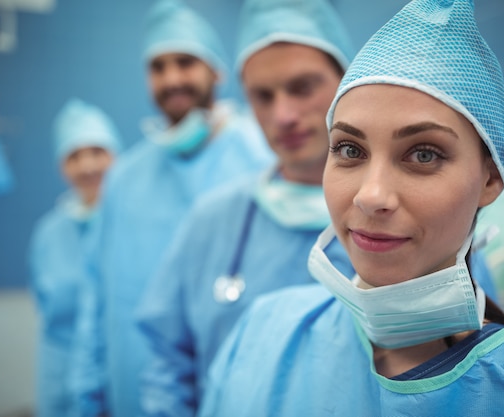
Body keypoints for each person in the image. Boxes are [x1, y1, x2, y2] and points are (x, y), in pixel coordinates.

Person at [198, 0, 504, 416]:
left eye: (424, 154)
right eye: (349, 148)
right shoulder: (262, 334)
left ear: (490, 179)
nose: (370, 196)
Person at [135, 0, 356, 415]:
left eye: (302, 87)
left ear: (347, 82)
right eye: (262, 96)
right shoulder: (215, 221)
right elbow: (167, 359)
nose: (283, 115)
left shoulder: (400, 219)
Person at [69, 0, 273, 416]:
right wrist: (85, 399)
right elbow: (96, 298)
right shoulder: (125, 178)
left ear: (216, 70)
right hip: (133, 394)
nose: (172, 78)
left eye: (185, 62)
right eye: (158, 67)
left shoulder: (262, 162)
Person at [29, 98, 122, 417]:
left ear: (116, 155)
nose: (87, 166)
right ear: (61, 166)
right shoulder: (48, 235)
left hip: (122, 377)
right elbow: (49, 318)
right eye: (74, 156)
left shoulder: (134, 224)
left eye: (97, 152)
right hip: (61, 378)